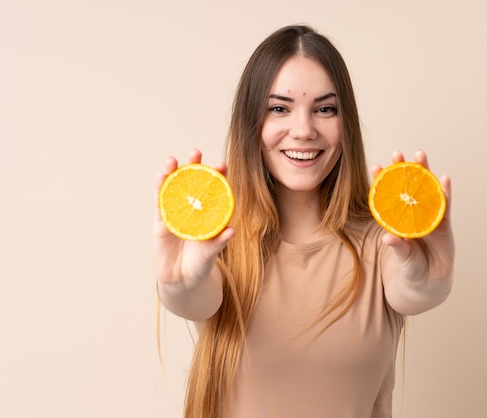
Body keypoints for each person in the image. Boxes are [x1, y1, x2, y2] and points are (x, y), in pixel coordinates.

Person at [154, 24, 455, 418]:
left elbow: (414, 290)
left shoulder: (385, 246)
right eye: (279, 108)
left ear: (345, 123)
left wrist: (428, 278)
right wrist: (179, 282)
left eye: (324, 109)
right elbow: (194, 298)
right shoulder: (217, 245)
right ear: (251, 123)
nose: (303, 130)